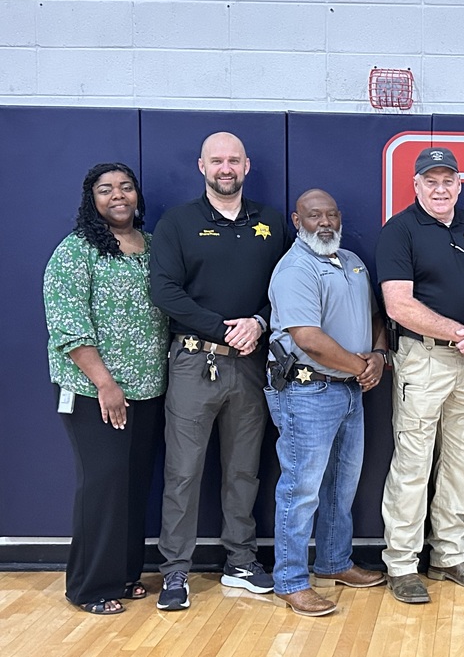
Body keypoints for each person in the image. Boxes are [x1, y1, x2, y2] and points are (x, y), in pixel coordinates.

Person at [149, 132, 288, 611]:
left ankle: (241, 562)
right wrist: (223, 328)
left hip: (250, 363)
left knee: (244, 470)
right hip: (193, 361)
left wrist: (259, 323)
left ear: (246, 166)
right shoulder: (178, 223)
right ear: (201, 166)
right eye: (216, 161)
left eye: (233, 160)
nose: (225, 168)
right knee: (183, 472)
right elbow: (165, 291)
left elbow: (286, 287)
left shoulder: (270, 221)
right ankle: (175, 572)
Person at [375, 147, 464, 604]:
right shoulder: (400, 231)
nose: (440, 188)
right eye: (430, 180)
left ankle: (449, 554)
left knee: (460, 460)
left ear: (459, 183)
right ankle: (401, 563)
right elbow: (398, 305)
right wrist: (458, 332)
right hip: (423, 358)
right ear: (415, 185)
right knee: (412, 463)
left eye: (447, 180)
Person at [43, 162, 169, 615]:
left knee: (133, 486)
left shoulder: (154, 247)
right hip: (95, 393)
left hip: (149, 389)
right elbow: (69, 325)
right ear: (90, 199)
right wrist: (105, 383)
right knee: (103, 485)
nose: (117, 195)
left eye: (126, 187)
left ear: (137, 195)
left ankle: (125, 573)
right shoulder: (76, 251)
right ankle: (89, 586)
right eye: (105, 189)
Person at [264, 189, 387, 616]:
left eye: (332, 214)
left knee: (341, 487)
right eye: (314, 215)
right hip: (306, 390)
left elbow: (375, 317)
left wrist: (378, 356)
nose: (325, 222)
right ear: (297, 220)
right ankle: (291, 581)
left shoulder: (352, 261)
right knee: (301, 489)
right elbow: (308, 339)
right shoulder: (295, 267)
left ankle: (334, 562)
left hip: (351, 388)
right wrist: (360, 365)